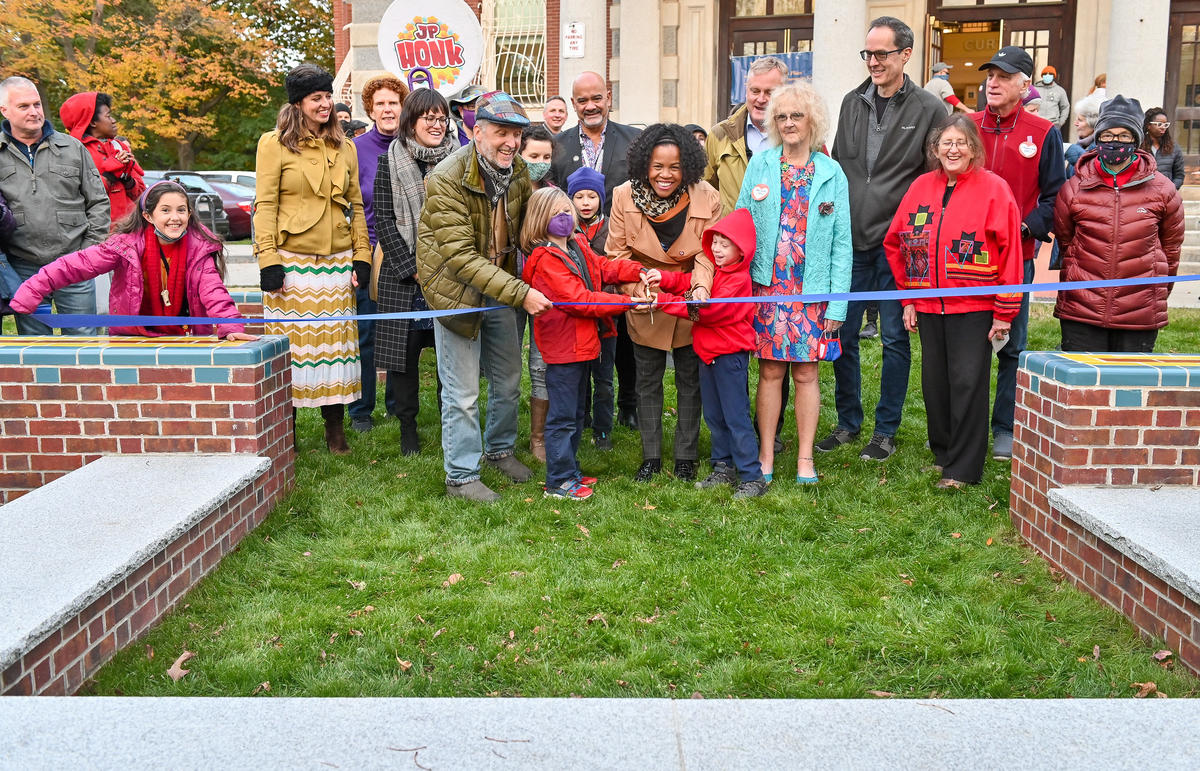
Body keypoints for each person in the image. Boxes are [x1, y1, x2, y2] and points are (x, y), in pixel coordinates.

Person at [416, 90, 554, 502]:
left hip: (502, 292)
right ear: (477, 132)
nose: (511, 142)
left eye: (516, 134)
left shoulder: (517, 175)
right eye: (500, 132)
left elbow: (533, 230)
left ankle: (499, 452)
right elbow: (459, 258)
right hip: (455, 293)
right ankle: (461, 476)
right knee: (462, 392)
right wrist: (522, 292)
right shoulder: (445, 177)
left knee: (509, 381)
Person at [827, 17, 944, 462]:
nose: (873, 62)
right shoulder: (850, 102)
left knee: (895, 338)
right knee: (844, 335)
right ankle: (848, 422)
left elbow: (936, 178)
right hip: (851, 242)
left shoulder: (930, 108)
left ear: (905, 55)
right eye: (868, 54)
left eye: (882, 54)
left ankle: (886, 429)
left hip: (900, 247)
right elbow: (841, 165)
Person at [885, 115, 1023, 489]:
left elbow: (1010, 253)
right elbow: (896, 241)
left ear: (974, 148)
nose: (953, 149)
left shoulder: (994, 189)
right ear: (935, 150)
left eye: (961, 142)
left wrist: (1005, 312)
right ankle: (944, 453)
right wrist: (909, 298)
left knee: (967, 383)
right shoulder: (919, 188)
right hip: (929, 306)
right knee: (935, 384)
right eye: (946, 142)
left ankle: (963, 468)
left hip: (974, 308)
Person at [737, 82, 852, 484]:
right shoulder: (761, 165)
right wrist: (740, 289)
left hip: (812, 293)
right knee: (769, 372)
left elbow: (842, 243)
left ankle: (805, 459)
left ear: (812, 122)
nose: (788, 123)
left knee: (806, 374)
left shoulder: (831, 172)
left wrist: (837, 306)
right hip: (767, 289)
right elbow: (740, 225)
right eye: (781, 117)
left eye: (796, 116)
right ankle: (765, 455)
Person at [254, 64, 372, 455]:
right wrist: (267, 260)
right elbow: (265, 205)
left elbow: (355, 205)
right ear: (298, 103)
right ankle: (284, 433)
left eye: (327, 97)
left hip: (336, 263)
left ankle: (334, 432)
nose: (324, 104)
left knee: (334, 351)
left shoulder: (346, 147)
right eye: (316, 98)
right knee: (292, 351)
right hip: (291, 264)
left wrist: (362, 257)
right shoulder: (273, 144)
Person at [520, 187, 652, 500]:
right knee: (563, 417)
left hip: (584, 345)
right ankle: (559, 481)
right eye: (557, 213)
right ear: (541, 219)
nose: (565, 217)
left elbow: (603, 267)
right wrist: (629, 302)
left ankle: (571, 471)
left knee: (577, 413)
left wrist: (639, 269)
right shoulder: (544, 260)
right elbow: (580, 301)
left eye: (568, 211)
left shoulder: (577, 244)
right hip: (563, 348)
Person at [606, 122, 720, 483]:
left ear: (687, 165)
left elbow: (708, 253)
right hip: (646, 298)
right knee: (647, 378)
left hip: (688, 297)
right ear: (645, 165)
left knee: (690, 378)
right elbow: (616, 252)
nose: (666, 175)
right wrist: (635, 289)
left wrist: (700, 291)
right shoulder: (623, 195)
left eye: (674, 167)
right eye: (657, 166)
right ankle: (651, 456)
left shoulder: (707, 197)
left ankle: (686, 456)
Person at [10, 180, 255, 342]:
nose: (175, 217)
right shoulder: (124, 246)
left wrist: (230, 326)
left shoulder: (198, 247)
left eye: (181, 210)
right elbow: (73, 266)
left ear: (190, 214)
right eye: (166, 210)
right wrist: (32, 289)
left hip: (185, 337)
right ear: (148, 215)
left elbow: (213, 291)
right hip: (132, 337)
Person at [971, 46, 1065, 460]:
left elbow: (1055, 196)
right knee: (968, 345)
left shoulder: (1043, 132)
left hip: (1017, 256)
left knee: (1011, 342)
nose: (993, 82)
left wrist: (1024, 228)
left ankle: (1004, 427)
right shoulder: (967, 127)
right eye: (990, 75)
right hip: (966, 260)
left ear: (1025, 84)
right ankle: (966, 426)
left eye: (1004, 76)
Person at [550, 71, 643, 430]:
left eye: (596, 98)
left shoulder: (634, 140)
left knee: (627, 340)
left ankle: (629, 404)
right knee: (588, 334)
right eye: (582, 100)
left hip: (622, 252)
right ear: (574, 105)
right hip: (574, 256)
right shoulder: (559, 145)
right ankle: (586, 410)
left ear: (608, 96)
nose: (590, 106)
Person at [1054, 95, 1183, 353]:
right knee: (1082, 389)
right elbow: (1066, 241)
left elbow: (1171, 248)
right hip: (1083, 308)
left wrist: (1157, 290)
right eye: (1108, 135)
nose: (1115, 142)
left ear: (1136, 141)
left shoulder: (1163, 190)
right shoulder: (1074, 188)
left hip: (1140, 309)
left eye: (1124, 136)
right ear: (1097, 138)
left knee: (1130, 388)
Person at [656, 208, 769, 499]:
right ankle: (723, 467)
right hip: (707, 356)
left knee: (736, 417)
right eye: (714, 242)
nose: (717, 249)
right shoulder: (716, 273)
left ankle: (752, 476)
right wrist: (664, 280)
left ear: (740, 249)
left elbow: (709, 311)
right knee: (715, 417)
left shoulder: (738, 280)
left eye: (724, 243)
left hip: (730, 357)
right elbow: (690, 284)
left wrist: (664, 302)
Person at [374, 87, 457, 456]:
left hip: (449, 275)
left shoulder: (459, 160)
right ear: (412, 120)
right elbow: (384, 222)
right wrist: (413, 269)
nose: (437, 125)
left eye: (442, 117)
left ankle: (449, 425)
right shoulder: (389, 160)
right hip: (402, 277)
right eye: (430, 118)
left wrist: (443, 267)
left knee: (449, 358)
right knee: (403, 361)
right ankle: (408, 428)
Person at [0, 76, 109, 336]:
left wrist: (86, 254)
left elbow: (99, 203)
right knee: (36, 347)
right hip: (24, 268)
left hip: (74, 263)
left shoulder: (72, 148)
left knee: (83, 343)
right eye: (24, 106)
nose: (34, 112)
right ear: (4, 110)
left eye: (37, 104)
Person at [348, 75, 407, 434]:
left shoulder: (413, 146)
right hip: (370, 251)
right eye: (380, 103)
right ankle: (360, 410)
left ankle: (398, 406)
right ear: (370, 109)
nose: (388, 109)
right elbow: (349, 205)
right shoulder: (354, 149)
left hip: (405, 251)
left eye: (394, 103)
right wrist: (357, 257)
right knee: (366, 334)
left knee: (399, 332)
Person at [567, 167, 617, 450]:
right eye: (579, 196)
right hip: (577, 316)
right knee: (579, 375)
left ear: (601, 198)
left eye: (591, 196)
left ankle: (603, 429)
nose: (586, 202)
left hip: (607, 317)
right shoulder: (566, 231)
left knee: (604, 377)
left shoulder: (611, 228)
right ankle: (580, 419)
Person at [704, 56, 788, 217]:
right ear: (746, 89)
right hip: (732, 239)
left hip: (782, 238)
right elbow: (704, 190)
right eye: (755, 91)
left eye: (770, 92)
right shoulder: (719, 135)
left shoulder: (801, 136)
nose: (761, 99)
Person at [517, 122, 556, 461]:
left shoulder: (554, 195)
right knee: (506, 364)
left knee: (541, 363)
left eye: (546, 156)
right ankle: (501, 434)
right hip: (509, 286)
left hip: (545, 290)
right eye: (533, 155)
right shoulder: (507, 191)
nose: (540, 161)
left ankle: (539, 437)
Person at [58, 91, 146, 225]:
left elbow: (140, 195)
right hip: (97, 234)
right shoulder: (74, 152)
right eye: (108, 116)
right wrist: (110, 175)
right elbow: (76, 198)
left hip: (129, 230)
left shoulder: (119, 146)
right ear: (92, 122)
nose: (114, 120)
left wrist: (127, 179)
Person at [1142, 107, 1185, 190]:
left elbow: (1179, 175)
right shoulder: (1138, 148)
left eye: (1165, 125)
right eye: (1159, 124)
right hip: (1144, 196)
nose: (1163, 127)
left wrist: (1170, 189)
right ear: (1148, 125)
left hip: (1166, 196)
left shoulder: (1174, 148)